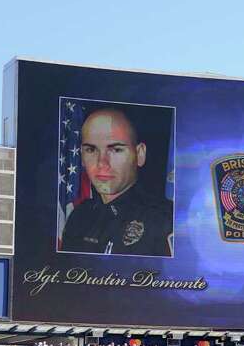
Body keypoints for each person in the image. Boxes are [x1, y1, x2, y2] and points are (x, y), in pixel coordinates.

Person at [61, 107, 173, 256]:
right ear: (81, 156)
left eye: (116, 150)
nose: (102, 163)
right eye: (91, 150)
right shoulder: (79, 217)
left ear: (139, 154)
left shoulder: (163, 220)